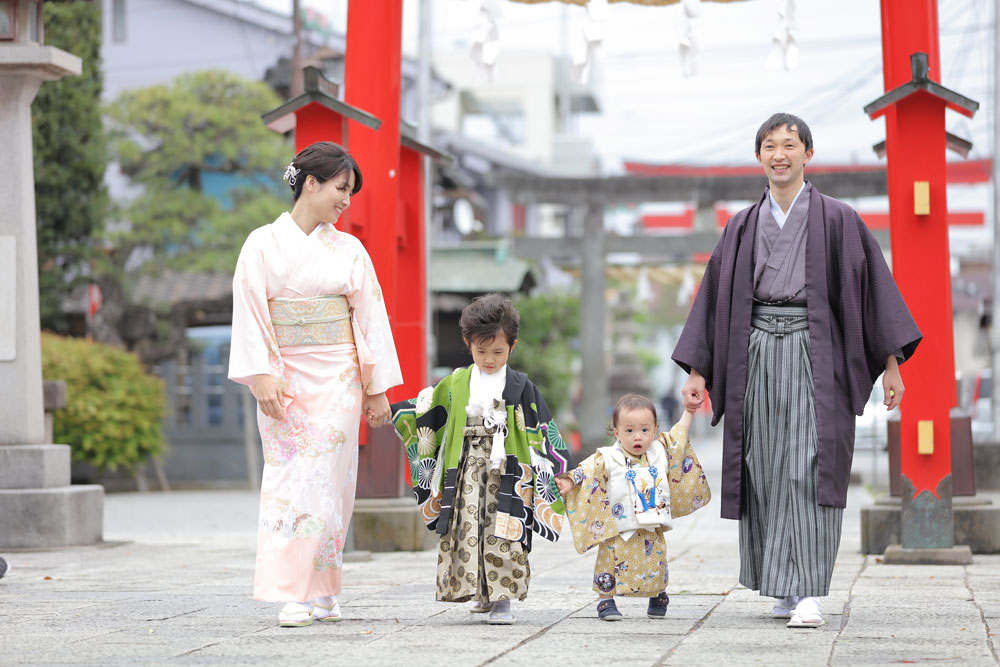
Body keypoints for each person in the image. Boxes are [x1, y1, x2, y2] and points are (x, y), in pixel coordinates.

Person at [672, 113, 921, 628]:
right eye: (770, 145)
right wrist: (699, 372)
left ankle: (809, 589)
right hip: (755, 350)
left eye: (790, 145)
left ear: (809, 154)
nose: (780, 154)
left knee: (808, 463)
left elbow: (872, 292)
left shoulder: (838, 219)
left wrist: (892, 365)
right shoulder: (741, 225)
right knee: (763, 464)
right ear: (759, 156)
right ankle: (781, 585)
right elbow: (713, 302)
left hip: (817, 350)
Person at [228, 141, 403, 628]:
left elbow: (369, 317)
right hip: (284, 377)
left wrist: (375, 388)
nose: (346, 201)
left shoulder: (349, 250)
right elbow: (250, 313)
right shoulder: (261, 243)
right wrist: (261, 373)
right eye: (341, 188)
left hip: (339, 377)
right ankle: (300, 589)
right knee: (288, 479)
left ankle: (316, 587)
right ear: (311, 183)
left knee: (330, 480)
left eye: (350, 192)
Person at [389, 293, 573, 625]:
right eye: (481, 350)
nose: (489, 359)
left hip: (509, 468)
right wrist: (390, 412)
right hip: (466, 467)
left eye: (498, 352)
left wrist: (558, 469)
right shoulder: (457, 382)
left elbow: (541, 426)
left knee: (505, 529)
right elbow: (426, 411)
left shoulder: (520, 386)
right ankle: (480, 593)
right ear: (468, 343)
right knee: (467, 526)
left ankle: (503, 598)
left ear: (512, 347)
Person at [556, 394, 708, 621]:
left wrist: (689, 410)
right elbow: (586, 470)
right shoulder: (607, 457)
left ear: (655, 429)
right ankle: (606, 599)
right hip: (618, 526)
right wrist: (569, 481)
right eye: (629, 431)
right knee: (609, 561)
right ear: (616, 432)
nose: (638, 436)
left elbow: (679, 435)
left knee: (655, 558)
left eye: (645, 430)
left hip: (650, 522)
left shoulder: (660, 451)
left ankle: (657, 594)